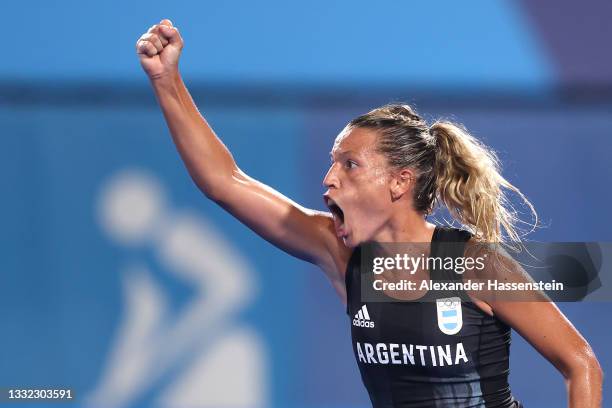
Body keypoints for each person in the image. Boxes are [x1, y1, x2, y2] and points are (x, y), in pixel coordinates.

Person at [135, 19, 603, 407]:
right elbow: (225, 182)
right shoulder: (342, 256)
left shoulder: (474, 264)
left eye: (350, 164)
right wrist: (166, 80)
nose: (328, 179)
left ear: (400, 181)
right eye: (332, 162)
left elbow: (580, 363)